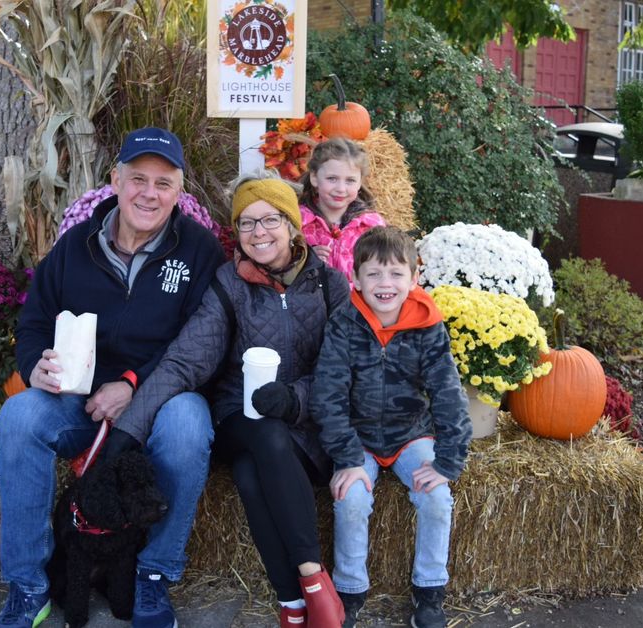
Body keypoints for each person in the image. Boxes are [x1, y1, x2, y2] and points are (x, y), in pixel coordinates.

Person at [0, 127, 226, 628]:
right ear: (115, 181)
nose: (149, 192)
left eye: (163, 183)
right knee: (19, 416)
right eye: (138, 178)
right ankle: (29, 584)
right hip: (78, 399)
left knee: (189, 425)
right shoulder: (76, 246)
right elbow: (34, 320)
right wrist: (34, 362)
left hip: (161, 396)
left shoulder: (200, 251)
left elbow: (202, 343)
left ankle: (154, 575)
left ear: (179, 192)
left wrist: (134, 385)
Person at [116, 171, 349, 628]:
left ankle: (292, 603)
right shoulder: (229, 283)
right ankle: (315, 578)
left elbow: (342, 370)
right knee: (263, 434)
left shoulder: (328, 285)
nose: (258, 233)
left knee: (251, 469)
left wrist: (295, 398)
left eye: (270, 220)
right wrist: (128, 429)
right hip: (237, 418)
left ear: (292, 225)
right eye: (246, 223)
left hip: (305, 422)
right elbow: (185, 361)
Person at [310, 226, 473, 628]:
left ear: (414, 278)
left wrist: (448, 462)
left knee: (436, 499)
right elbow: (326, 396)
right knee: (351, 500)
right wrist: (347, 458)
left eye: (396, 274)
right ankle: (350, 592)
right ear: (356, 278)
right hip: (358, 439)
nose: (385, 284)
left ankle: (430, 592)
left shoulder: (427, 327)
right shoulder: (344, 323)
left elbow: (449, 394)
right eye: (374, 274)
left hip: (410, 435)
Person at [298, 137, 385, 284]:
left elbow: (385, 268)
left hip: (357, 304)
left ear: (359, 183)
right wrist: (304, 260)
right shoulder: (298, 222)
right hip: (311, 303)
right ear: (314, 177)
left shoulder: (372, 226)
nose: (341, 189)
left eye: (350, 180)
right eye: (332, 179)